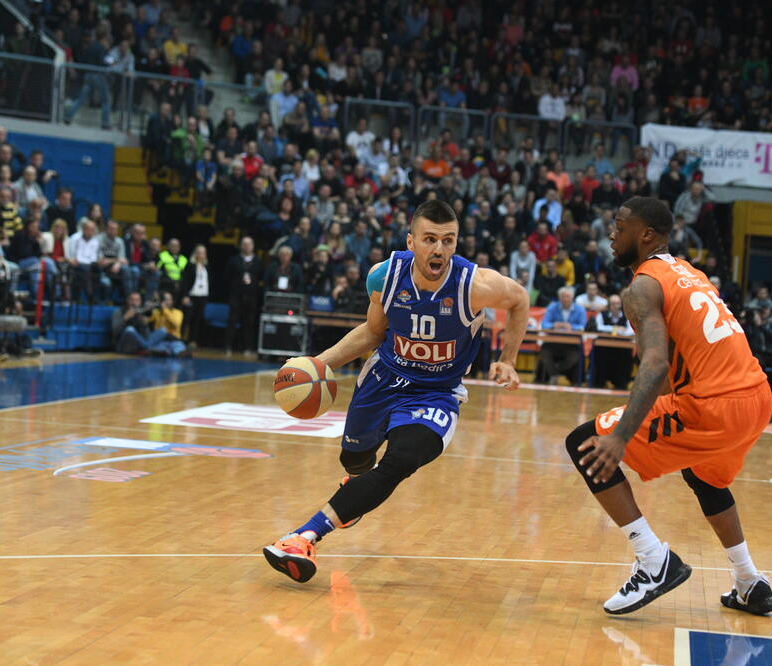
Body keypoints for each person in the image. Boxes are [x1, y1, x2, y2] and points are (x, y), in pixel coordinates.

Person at [263, 200, 530, 583]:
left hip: (436, 393)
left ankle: (303, 536)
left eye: (448, 241)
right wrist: (318, 364)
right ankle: (355, 491)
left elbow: (519, 299)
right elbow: (374, 332)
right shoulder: (384, 277)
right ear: (412, 241)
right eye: (430, 240)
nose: (439, 250)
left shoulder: (474, 285)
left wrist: (509, 358)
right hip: (384, 379)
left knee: (400, 462)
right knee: (355, 462)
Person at [565, 196, 772, 616]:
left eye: (620, 225)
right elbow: (667, 374)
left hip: (714, 405)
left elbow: (656, 361)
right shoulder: (691, 273)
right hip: (757, 398)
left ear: (646, 235)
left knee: (586, 442)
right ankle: (749, 581)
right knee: (705, 476)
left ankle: (654, 561)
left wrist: (622, 436)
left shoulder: (642, 285)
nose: (612, 233)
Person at [536, 286, 587, 385]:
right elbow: (544, 324)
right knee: (544, 353)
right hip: (552, 342)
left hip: (571, 343)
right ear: (559, 298)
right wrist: (554, 325)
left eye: (567, 296)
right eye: (563, 296)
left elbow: (583, 326)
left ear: (572, 298)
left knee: (574, 356)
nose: (565, 299)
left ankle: (556, 370)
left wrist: (571, 327)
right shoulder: (552, 307)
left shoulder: (580, 309)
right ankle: (553, 375)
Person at [225, 236, 261, 357]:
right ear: (241, 246)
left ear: (253, 246)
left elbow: (261, 277)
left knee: (249, 323)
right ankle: (228, 347)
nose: (247, 246)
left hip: (251, 297)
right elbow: (227, 277)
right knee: (232, 321)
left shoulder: (258, 260)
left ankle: (248, 347)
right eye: (244, 244)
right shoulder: (234, 260)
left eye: (249, 244)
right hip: (236, 296)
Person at [590, 294, 635, 389]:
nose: (616, 306)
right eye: (613, 304)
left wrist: (619, 331)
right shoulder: (602, 314)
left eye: (618, 304)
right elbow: (597, 327)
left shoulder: (626, 315)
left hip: (621, 347)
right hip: (604, 346)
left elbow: (630, 331)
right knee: (599, 354)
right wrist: (615, 329)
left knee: (626, 356)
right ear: (609, 305)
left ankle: (621, 383)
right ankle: (599, 382)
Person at [183, 244, 209, 348]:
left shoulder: (206, 266)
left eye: (203, 252)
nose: (201, 254)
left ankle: (192, 340)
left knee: (197, 320)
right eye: (199, 252)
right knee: (187, 318)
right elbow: (185, 281)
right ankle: (182, 339)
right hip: (191, 295)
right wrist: (185, 295)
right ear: (195, 253)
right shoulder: (190, 265)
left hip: (202, 296)